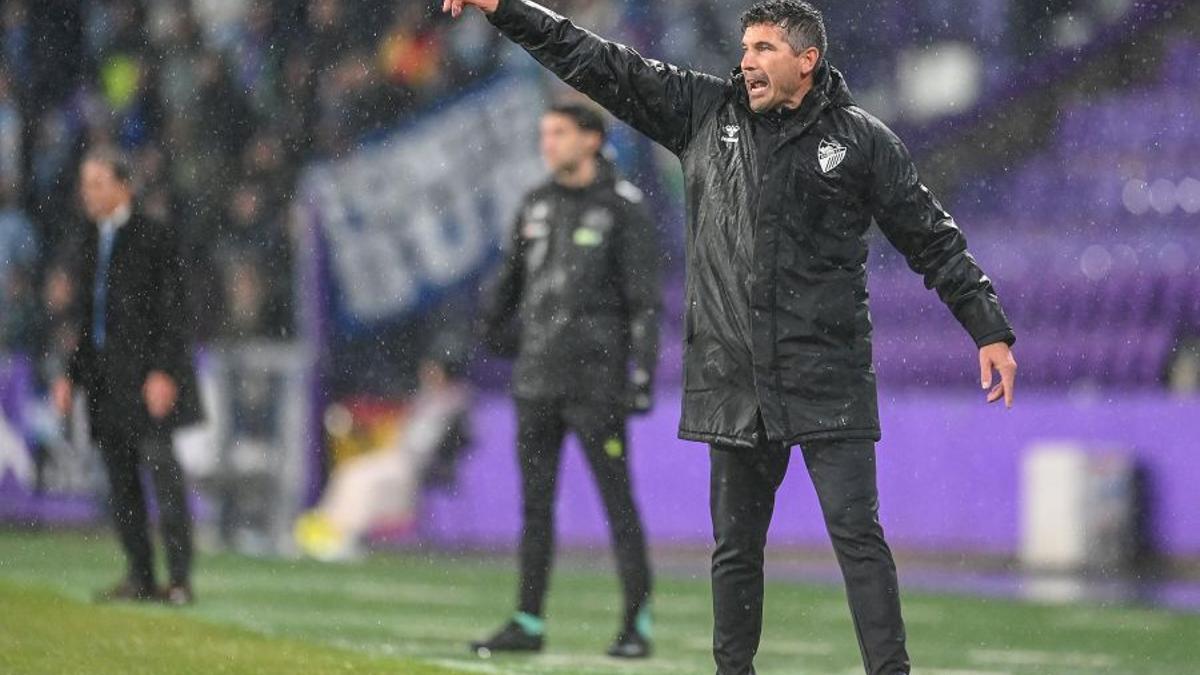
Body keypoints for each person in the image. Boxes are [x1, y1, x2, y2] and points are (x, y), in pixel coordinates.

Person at [442, 2, 1019, 674]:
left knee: (858, 537)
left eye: (766, 48)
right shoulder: (701, 113)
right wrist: (504, 8)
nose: (747, 60)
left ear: (808, 60)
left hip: (825, 373)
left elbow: (931, 237)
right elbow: (594, 60)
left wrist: (987, 327)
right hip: (733, 376)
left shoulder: (862, 142)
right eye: (746, 47)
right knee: (736, 550)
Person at [470, 102, 662, 659]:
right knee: (534, 506)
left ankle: (637, 623)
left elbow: (644, 305)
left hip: (595, 385)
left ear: (592, 140)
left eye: (558, 133)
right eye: (544, 133)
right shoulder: (535, 204)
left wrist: (642, 374)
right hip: (536, 380)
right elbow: (506, 286)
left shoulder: (623, 209)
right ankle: (527, 621)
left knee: (616, 503)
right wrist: (483, 337)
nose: (547, 143)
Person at [52, 149, 203, 605]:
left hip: (145, 376)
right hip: (103, 376)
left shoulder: (153, 236)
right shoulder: (86, 239)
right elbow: (84, 317)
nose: (89, 193)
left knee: (163, 472)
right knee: (120, 480)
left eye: (98, 183)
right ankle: (139, 573)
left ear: (124, 186)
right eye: (86, 184)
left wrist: (164, 371)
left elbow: (174, 311)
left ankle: (178, 579)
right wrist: (70, 376)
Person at [294, 355, 471, 561]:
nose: (426, 374)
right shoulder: (427, 397)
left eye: (432, 369)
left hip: (415, 464)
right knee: (351, 470)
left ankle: (345, 534)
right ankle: (328, 526)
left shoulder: (452, 401)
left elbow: (425, 443)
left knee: (363, 479)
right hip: (400, 457)